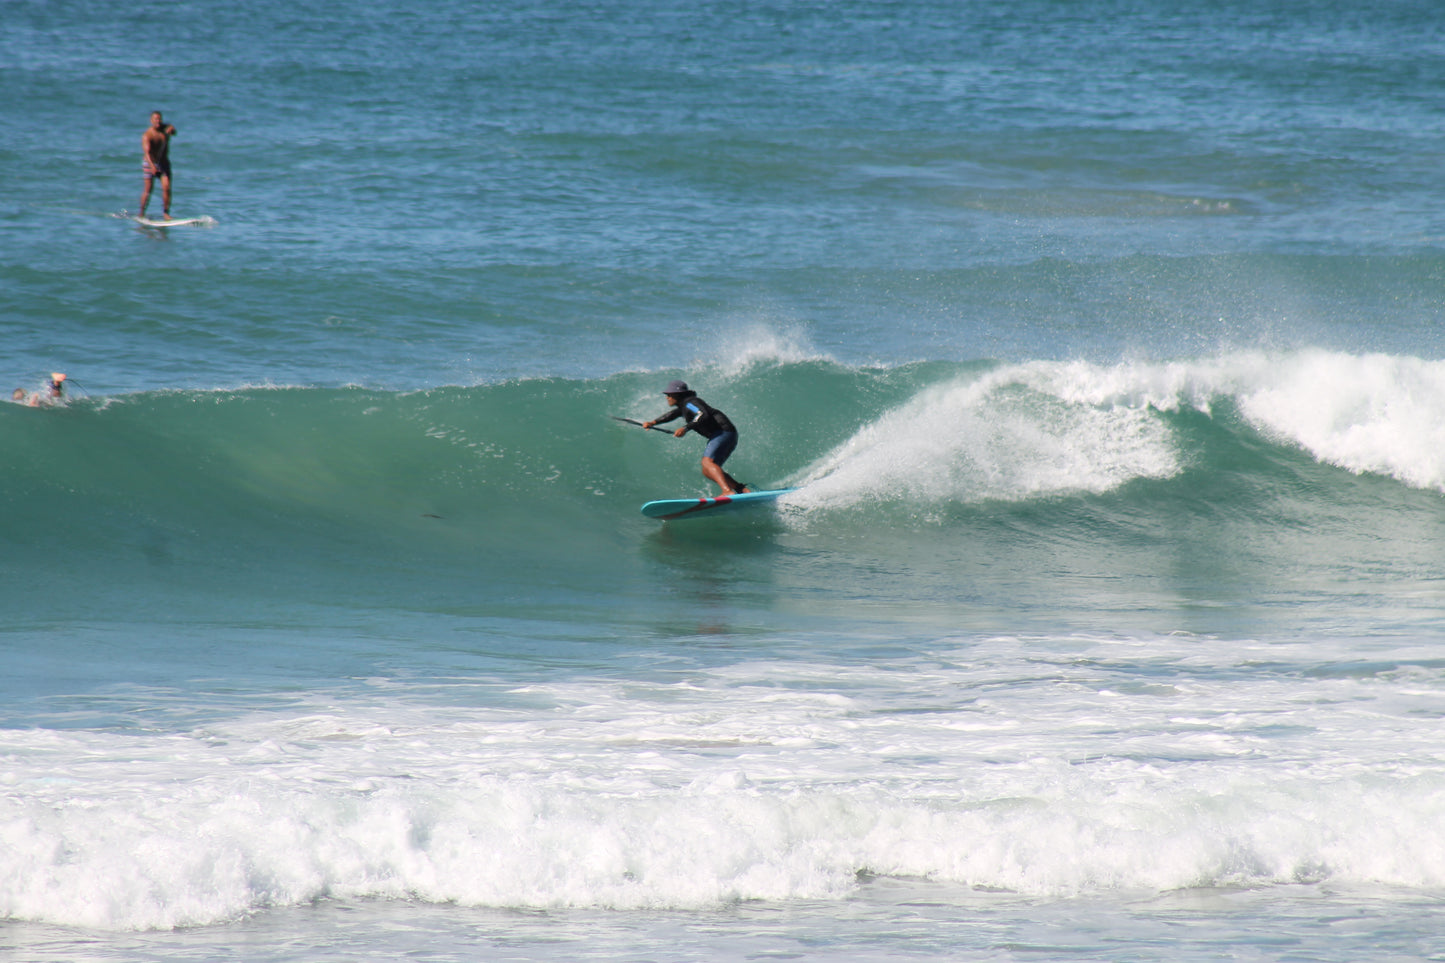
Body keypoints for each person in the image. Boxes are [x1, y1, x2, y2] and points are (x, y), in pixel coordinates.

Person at [642, 380, 751, 496]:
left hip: (723, 432)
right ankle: (741, 489)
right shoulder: (684, 406)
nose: (667, 397)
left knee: (707, 462)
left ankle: (727, 491)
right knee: (707, 471)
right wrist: (653, 422)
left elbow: (702, 414)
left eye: (670, 394)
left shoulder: (690, 403)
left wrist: (685, 428)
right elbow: (671, 415)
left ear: (678, 394)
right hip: (725, 434)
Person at [139, 111, 177, 220]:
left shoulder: (165, 128)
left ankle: (166, 213)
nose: (158, 121)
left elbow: (173, 131)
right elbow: (147, 153)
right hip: (149, 162)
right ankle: (141, 213)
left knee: (167, 187)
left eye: (159, 119)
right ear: (151, 121)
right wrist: (152, 166)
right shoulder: (148, 135)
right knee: (148, 190)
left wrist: (172, 130)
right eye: (155, 119)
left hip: (163, 163)